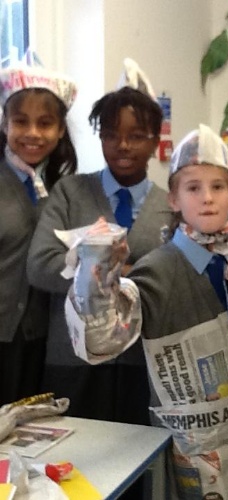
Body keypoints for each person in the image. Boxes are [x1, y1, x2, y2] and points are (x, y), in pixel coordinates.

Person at [64, 123, 228, 499]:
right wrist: (97, 270)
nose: (207, 198)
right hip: (182, 441)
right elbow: (104, 337)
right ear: (174, 199)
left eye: (217, 187)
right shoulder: (158, 270)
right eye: (193, 188)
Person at [27, 75, 173, 426]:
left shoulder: (172, 205)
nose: (122, 145)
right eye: (110, 134)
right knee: (73, 454)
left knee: (139, 455)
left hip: (143, 361)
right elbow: (40, 266)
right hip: (73, 357)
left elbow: (173, 281)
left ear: (155, 140)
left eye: (136, 136)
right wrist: (122, 274)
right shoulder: (70, 193)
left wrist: (98, 270)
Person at [0, 62, 77, 406]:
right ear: (5, 124)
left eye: (45, 123)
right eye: (21, 121)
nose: (32, 133)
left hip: (43, 342)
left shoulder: (66, 190)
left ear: (60, 130)